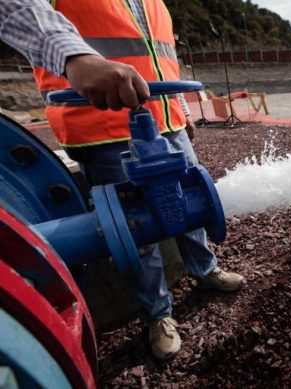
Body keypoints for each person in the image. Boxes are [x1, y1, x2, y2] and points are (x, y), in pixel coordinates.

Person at [0, 0, 245, 360]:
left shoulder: (154, 4)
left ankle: (205, 269)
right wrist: (74, 57)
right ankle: (158, 315)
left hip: (167, 122)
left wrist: (184, 111)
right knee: (133, 230)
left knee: (191, 203)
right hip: (103, 130)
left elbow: (162, 60)